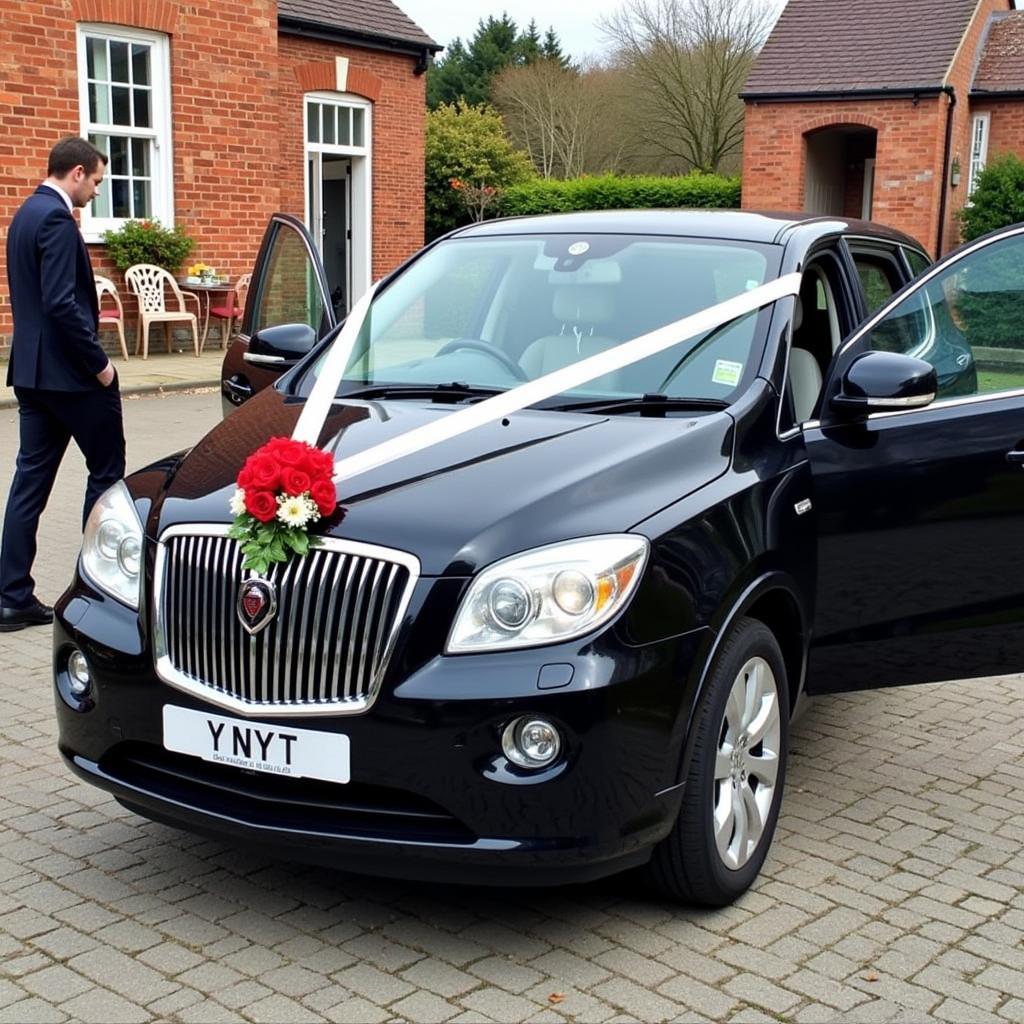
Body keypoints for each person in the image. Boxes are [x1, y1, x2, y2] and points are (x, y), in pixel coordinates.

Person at [0, 137, 125, 631]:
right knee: (107, 474)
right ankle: (101, 593)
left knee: (29, 483)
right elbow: (59, 303)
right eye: (96, 180)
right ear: (76, 172)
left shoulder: (23, 214)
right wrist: (101, 366)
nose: (96, 190)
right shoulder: (54, 218)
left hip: (31, 374)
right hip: (72, 378)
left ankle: (11, 596)